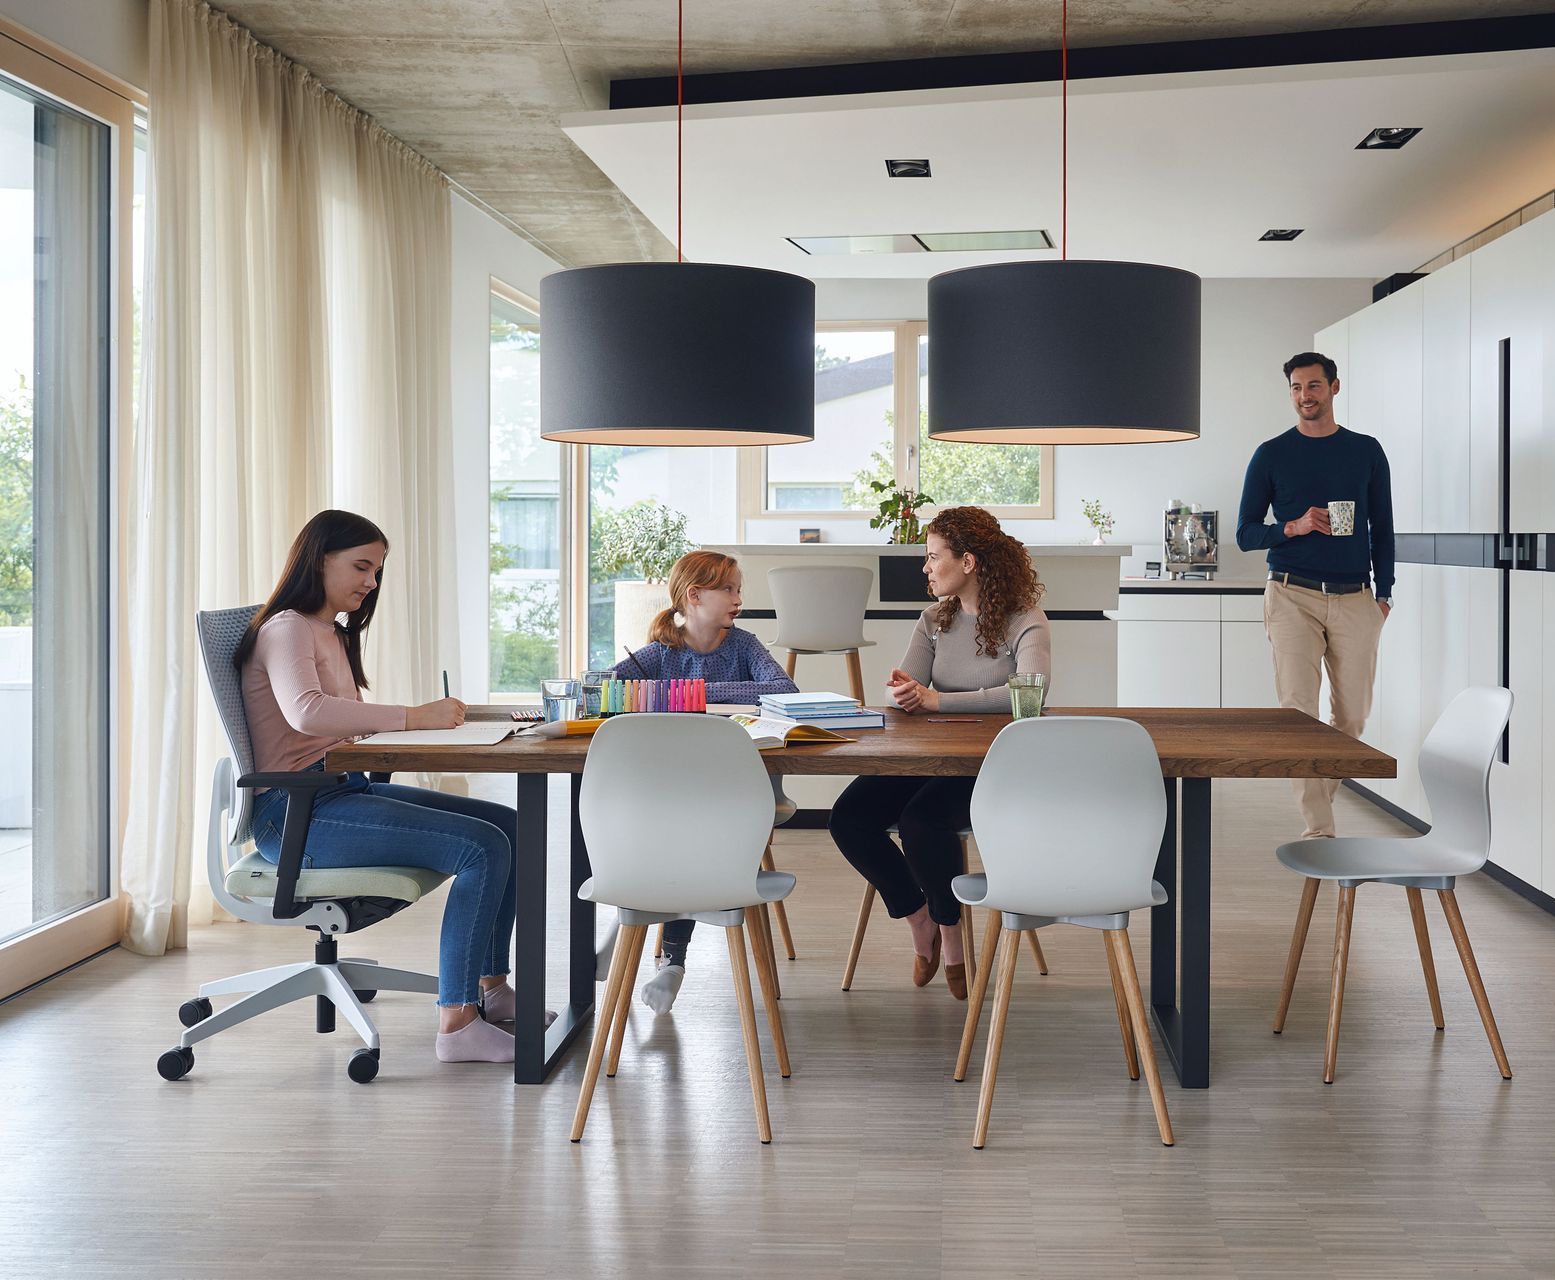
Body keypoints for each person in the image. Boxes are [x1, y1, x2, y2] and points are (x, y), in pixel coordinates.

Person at [237, 509, 528, 1064]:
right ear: (318, 560)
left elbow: (347, 720)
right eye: (361, 566)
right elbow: (307, 713)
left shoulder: (328, 632)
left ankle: (493, 992)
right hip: (293, 815)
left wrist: (431, 723)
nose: (371, 582)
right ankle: (458, 1021)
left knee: (507, 825)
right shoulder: (287, 628)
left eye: (377, 571)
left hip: (334, 795)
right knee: (482, 846)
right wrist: (415, 717)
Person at [828, 506, 1051, 1000]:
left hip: (995, 767)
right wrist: (904, 694)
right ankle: (918, 914)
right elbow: (902, 684)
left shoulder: (1024, 619)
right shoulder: (934, 619)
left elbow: (1030, 694)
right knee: (849, 818)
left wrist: (937, 700)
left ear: (968, 561)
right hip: (930, 756)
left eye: (933, 557)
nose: (925, 568)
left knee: (921, 822)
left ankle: (952, 935)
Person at [609, 549, 798, 1014]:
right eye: (728, 589)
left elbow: (785, 692)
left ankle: (670, 958)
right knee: (681, 830)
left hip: (745, 793)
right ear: (694, 595)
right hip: (677, 795)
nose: (738, 598)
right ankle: (670, 960)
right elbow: (607, 691)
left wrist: (687, 695)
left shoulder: (745, 645)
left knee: (687, 834)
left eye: (738, 589)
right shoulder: (657, 655)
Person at [1236, 350, 1394, 839]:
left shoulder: (1366, 451)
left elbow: (1383, 528)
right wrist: (1295, 525)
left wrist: (1383, 594)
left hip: (1355, 598)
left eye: (1314, 386)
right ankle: (1320, 832)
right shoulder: (1271, 453)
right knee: (1298, 714)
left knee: (1352, 718)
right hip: (1291, 594)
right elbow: (1245, 534)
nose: (1305, 396)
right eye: (1296, 388)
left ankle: (1318, 795)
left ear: (1334, 388)